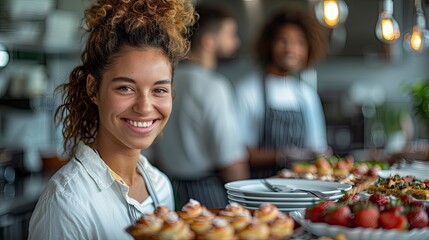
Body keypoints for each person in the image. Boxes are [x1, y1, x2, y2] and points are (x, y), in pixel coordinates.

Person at [28, 0, 195, 239]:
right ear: (94, 89)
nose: (145, 107)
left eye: (159, 90)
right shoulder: (66, 202)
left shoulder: (160, 185)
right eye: (126, 88)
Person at [150, 4, 249, 209]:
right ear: (208, 41)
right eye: (230, 34)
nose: (237, 41)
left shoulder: (165, 81)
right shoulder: (214, 86)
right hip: (206, 193)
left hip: (167, 189)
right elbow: (230, 158)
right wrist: (246, 203)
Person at [234, 4, 330, 179]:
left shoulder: (306, 95)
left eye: (299, 42)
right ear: (269, 44)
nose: (290, 49)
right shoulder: (247, 90)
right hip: (260, 195)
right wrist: (281, 155)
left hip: (303, 193)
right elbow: (236, 153)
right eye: (283, 40)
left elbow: (317, 147)